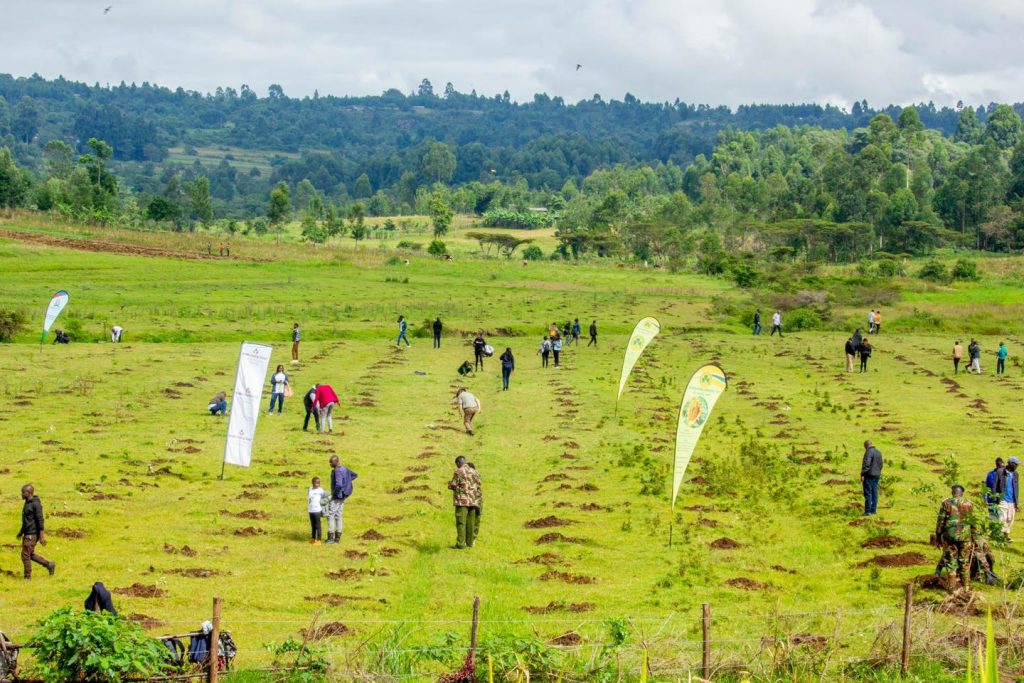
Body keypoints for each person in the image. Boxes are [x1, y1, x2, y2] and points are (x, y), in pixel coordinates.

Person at [934, 484, 977, 590]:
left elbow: (940, 521)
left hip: (949, 538)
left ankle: (952, 588)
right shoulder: (969, 504)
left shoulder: (946, 503)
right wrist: (974, 537)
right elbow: (973, 523)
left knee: (950, 561)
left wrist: (938, 536)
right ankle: (966, 586)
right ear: (962, 493)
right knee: (964, 561)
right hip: (965, 537)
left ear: (953, 493)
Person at [18, 484, 55, 579]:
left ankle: (27, 577)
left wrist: (42, 537)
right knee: (30, 554)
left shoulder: (35, 504)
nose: (21, 494)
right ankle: (49, 564)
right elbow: (27, 520)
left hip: (32, 534)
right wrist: (21, 532)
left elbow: (40, 520)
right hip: (27, 533)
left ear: (29, 493)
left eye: (23, 492)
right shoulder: (27, 502)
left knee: (25, 556)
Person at [447, 456, 482, 549]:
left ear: (458, 462)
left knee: (461, 522)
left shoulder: (458, 472)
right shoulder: (475, 472)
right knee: (470, 523)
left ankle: (460, 544)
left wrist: (449, 484)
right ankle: (470, 543)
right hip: (473, 501)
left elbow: (453, 485)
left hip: (462, 501)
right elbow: (479, 486)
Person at [326, 455, 358, 544]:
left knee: (331, 515)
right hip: (343, 496)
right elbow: (354, 475)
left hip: (337, 496)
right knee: (339, 516)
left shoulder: (337, 471)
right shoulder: (345, 469)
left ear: (336, 461)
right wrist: (346, 483)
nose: (330, 464)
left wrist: (333, 494)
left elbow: (339, 484)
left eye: (331, 462)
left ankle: (330, 538)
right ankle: (337, 539)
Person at [860, 440, 883, 515]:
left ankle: (867, 511)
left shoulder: (868, 452)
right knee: (874, 493)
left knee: (868, 493)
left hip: (869, 475)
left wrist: (863, 474)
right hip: (877, 475)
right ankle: (873, 510)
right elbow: (881, 465)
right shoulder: (878, 452)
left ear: (866, 446)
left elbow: (867, 464)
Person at [999, 457, 1019, 539]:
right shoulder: (1001, 472)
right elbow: (996, 484)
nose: (1017, 466)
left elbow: (1016, 488)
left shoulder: (1016, 474)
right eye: (1016, 464)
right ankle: (1000, 537)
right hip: (1003, 499)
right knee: (1002, 518)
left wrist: (1016, 502)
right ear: (1011, 464)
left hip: (1012, 500)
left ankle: (1006, 535)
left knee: (1010, 518)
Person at [307, 476, 326, 545]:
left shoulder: (321, 490)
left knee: (318, 525)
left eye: (318, 483)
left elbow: (325, 498)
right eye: (315, 483)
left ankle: (319, 540)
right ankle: (313, 538)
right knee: (313, 525)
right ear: (312, 483)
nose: (317, 484)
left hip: (317, 510)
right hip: (311, 510)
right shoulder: (310, 489)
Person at [467, 462, 482, 543]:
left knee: (471, 519)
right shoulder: (477, 475)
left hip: (471, 499)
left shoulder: (469, 476)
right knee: (477, 519)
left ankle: (470, 539)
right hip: (477, 499)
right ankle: (473, 538)